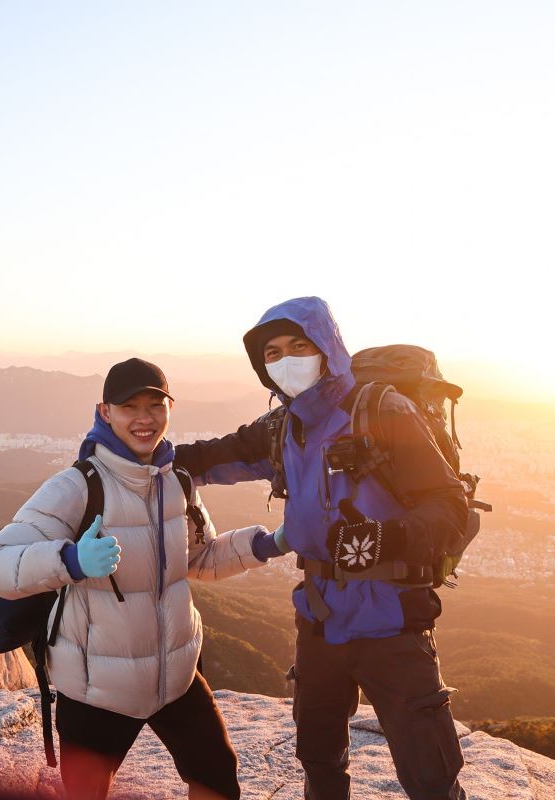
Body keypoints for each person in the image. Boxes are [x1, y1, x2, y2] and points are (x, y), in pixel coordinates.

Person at [175, 297, 470, 800]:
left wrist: (386, 538)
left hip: (393, 618)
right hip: (319, 617)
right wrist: (123, 455)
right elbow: (208, 457)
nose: (286, 359)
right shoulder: (285, 425)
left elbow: (449, 506)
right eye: (272, 353)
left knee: (429, 773)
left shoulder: (381, 410)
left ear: (327, 348)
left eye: (299, 345)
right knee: (318, 756)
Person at [0, 358, 288, 800]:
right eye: (130, 407)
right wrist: (70, 560)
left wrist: (268, 544)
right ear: (105, 412)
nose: (145, 419)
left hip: (175, 677)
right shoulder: (78, 486)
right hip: (96, 689)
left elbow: (198, 560)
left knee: (218, 779)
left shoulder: (177, 479)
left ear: (169, 409)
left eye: (155, 405)